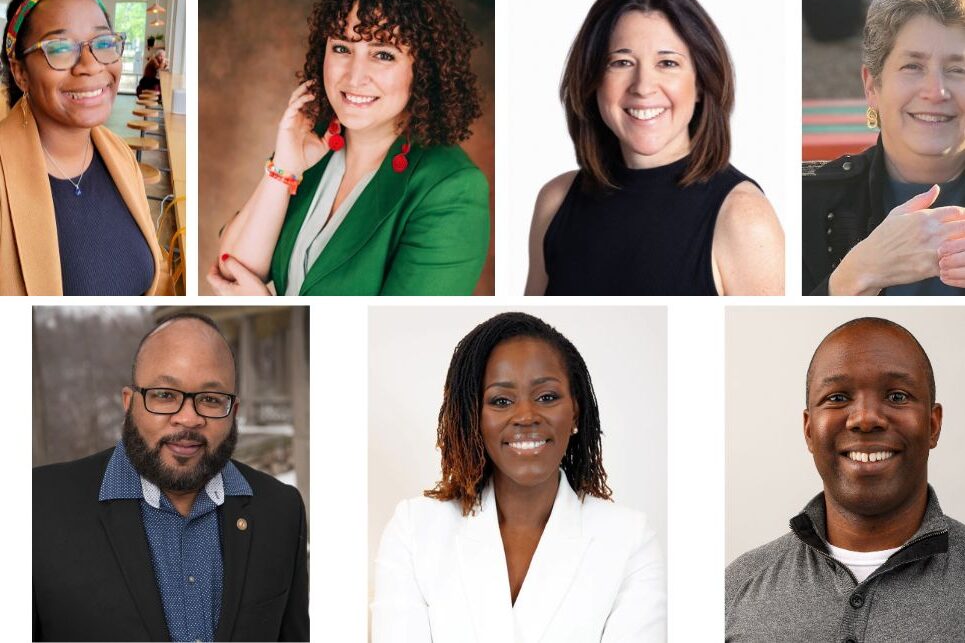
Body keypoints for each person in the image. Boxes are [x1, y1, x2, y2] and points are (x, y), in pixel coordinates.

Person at [371, 312, 665, 642]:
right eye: (501, 401)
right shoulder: (415, 530)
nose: (526, 415)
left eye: (547, 397)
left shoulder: (629, 539)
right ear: (474, 416)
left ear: (575, 411)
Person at [208, 0, 490, 296]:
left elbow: (399, 327)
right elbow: (232, 269)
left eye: (383, 55)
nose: (355, 77)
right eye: (342, 48)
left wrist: (272, 309)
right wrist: (283, 169)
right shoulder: (313, 140)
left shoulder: (452, 189)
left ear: (424, 70)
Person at [33, 313, 309, 642]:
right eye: (165, 395)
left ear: (233, 412)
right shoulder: (37, 506)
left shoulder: (280, 510)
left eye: (211, 399)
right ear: (129, 403)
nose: (188, 418)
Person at [526, 0, 783, 296]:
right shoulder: (555, 201)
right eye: (621, 62)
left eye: (668, 63)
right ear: (592, 80)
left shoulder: (744, 217)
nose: (643, 87)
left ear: (701, 83)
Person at [726, 317, 965, 640]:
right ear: (809, 430)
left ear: (933, 425)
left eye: (897, 396)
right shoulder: (735, 590)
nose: (865, 419)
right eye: (837, 398)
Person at [803, 0, 965, 296]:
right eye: (912, 66)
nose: (936, 91)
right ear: (871, 86)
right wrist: (855, 275)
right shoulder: (802, 201)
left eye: (958, 69)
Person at [0, 0, 162, 295]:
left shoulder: (119, 154)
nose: (90, 65)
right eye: (60, 48)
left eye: (103, 44)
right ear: (21, 73)